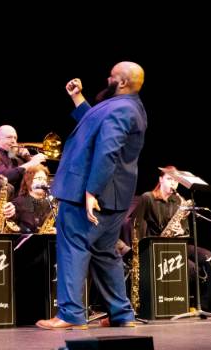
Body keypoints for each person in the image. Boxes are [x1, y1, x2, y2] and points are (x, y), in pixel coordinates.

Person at [36, 61, 147, 330]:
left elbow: (107, 151)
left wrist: (91, 192)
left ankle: (70, 314)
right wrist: (77, 98)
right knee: (105, 252)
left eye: (111, 76)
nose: (106, 79)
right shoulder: (127, 107)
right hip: (115, 196)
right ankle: (121, 313)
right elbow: (94, 125)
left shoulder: (122, 109)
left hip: (89, 193)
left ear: (121, 82)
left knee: (73, 247)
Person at [131, 165, 211, 307]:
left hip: (177, 244)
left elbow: (187, 231)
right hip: (156, 246)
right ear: (160, 180)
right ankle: (180, 302)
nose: (173, 184)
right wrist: (139, 252)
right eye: (169, 179)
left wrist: (181, 231)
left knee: (208, 256)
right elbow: (135, 226)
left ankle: (203, 305)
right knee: (191, 267)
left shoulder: (179, 201)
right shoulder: (148, 198)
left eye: (176, 181)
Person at [0, 125, 47, 191]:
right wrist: (32, 162)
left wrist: (27, 159)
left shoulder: (13, 155)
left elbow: (33, 175)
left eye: (15, 138)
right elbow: (5, 177)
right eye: (9, 137)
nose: (13, 141)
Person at [11, 164, 56, 234]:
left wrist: (56, 231)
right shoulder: (18, 203)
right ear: (29, 180)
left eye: (45, 179)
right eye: (39, 178)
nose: (43, 182)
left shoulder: (51, 203)